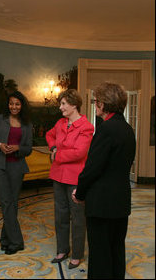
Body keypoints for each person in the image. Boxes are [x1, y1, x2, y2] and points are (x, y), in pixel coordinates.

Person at [72, 82, 136, 279]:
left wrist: (80, 192)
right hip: (120, 201)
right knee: (116, 250)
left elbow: (92, 169)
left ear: (103, 104)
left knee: (100, 255)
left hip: (102, 204)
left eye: (96, 101)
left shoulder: (106, 129)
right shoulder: (127, 129)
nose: (95, 104)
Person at [45, 89, 94, 269]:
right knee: (60, 215)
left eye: (64, 104)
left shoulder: (86, 126)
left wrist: (57, 156)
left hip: (75, 178)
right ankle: (63, 249)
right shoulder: (60, 123)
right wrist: (53, 148)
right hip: (58, 176)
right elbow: (49, 135)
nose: (61, 107)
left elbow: (79, 153)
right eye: (61, 104)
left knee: (78, 217)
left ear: (74, 105)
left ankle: (77, 254)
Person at [0, 90, 33, 255]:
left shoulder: (27, 124)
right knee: (6, 202)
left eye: (17, 104)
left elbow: (28, 149)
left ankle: (5, 239)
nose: (14, 106)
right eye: (11, 103)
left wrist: (18, 148)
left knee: (12, 202)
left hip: (17, 166)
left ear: (22, 105)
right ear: (8, 104)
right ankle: (16, 241)